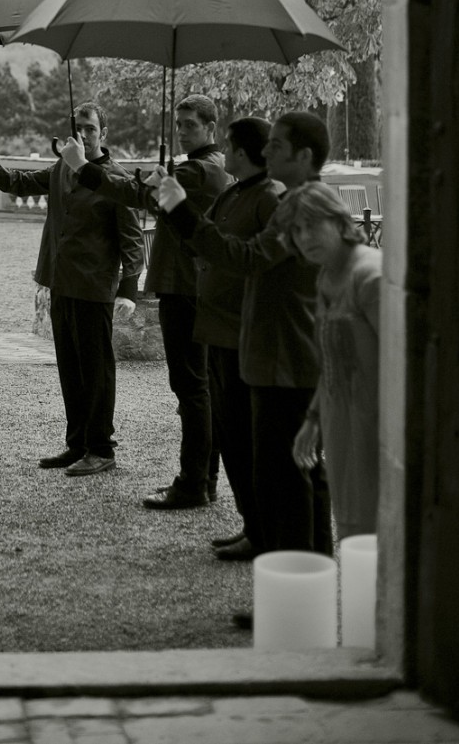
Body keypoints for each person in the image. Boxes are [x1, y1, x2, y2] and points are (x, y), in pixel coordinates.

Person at [155, 110, 333, 582]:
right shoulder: (294, 199)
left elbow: (249, 258)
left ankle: (297, 588)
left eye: (276, 144)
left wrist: (180, 210)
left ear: (304, 156)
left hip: (287, 355)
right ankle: (300, 582)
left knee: (289, 477)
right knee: (290, 473)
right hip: (276, 350)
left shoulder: (300, 204)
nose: (266, 150)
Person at [0, 101, 144, 476]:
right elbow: (18, 183)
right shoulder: (61, 168)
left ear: (104, 134)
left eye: (90, 129)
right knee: (70, 370)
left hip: (94, 287)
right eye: (78, 128)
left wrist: (128, 290)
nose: (83, 135)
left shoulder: (115, 179)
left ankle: (101, 448)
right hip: (61, 283)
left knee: (96, 372)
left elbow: (133, 241)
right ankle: (77, 444)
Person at [61, 94, 229, 508]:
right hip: (190, 284)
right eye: (178, 124)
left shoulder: (199, 169)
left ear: (211, 128)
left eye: (190, 124)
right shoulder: (201, 166)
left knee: (192, 387)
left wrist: (83, 167)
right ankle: (203, 478)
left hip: (185, 286)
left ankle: (194, 482)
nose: (181, 131)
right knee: (198, 386)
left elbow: (134, 194)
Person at [193, 117, 282, 554]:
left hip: (241, 333)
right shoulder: (232, 192)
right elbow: (204, 237)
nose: (222, 153)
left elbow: (253, 260)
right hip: (217, 330)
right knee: (229, 436)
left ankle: (264, 532)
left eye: (228, 146)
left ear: (243, 153)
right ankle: (252, 524)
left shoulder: (269, 197)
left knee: (247, 440)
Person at [281, 181, 382, 539]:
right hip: (343, 424)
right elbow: (333, 361)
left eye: (312, 224)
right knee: (352, 528)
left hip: (376, 427)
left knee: (376, 532)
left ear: (339, 221)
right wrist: (313, 420)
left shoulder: (369, 276)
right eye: (296, 229)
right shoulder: (326, 273)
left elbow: (403, 366)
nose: (304, 237)